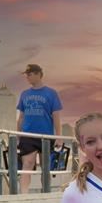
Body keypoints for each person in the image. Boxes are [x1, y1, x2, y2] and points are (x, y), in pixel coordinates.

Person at [16, 64, 62, 193]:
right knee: (27, 164)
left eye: (29, 74)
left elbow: (56, 116)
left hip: (46, 135)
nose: (27, 78)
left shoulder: (51, 93)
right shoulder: (24, 94)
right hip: (28, 134)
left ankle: (45, 192)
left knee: (45, 166)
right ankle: (23, 194)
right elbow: (21, 117)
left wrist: (58, 136)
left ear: (38, 74)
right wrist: (18, 135)